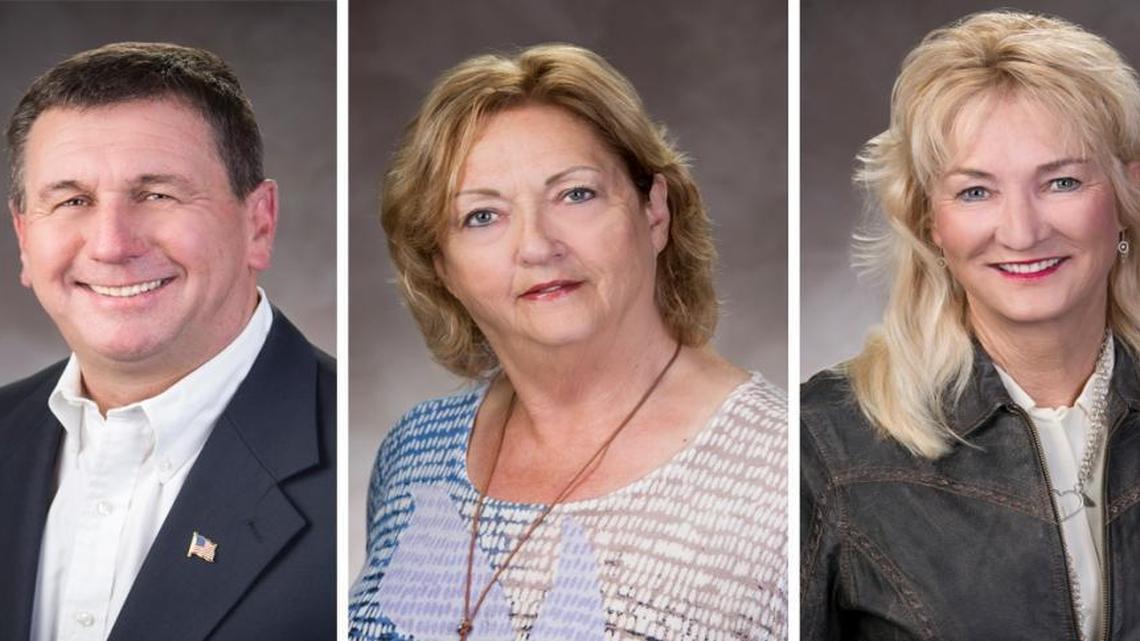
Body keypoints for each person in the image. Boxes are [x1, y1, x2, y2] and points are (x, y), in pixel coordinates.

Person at [349, 44, 786, 640]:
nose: (536, 245)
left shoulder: (783, 473)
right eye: (482, 216)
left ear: (654, 213)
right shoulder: (413, 454)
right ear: (440, 265)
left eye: (575, 194)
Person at [801, 10, 1140, 641]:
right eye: (976, 192)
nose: (1021, 232)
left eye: (1061, 181)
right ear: (930, 219)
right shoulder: (823, 445)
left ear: (1126, 192)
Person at [0, 42, 334, 641]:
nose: (111, 244)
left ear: (259, 223)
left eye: (157, 194)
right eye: (72, 201)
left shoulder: (368, 476)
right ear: (25, 238)